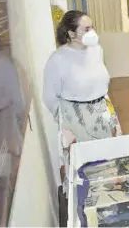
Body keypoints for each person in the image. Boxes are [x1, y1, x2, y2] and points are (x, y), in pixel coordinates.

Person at [43, 10, 122, 190]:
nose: (92, 32)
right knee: (86, 170)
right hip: (77, 121)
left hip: (103, 113)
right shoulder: (57, 59)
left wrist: (111, 116)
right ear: (71, 34)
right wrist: (66, 124)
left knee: (108, 163)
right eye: (86, 29)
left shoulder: (97, 51)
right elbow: (49, 97)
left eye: (92, 27)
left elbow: (101, 84)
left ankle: (110, 195)